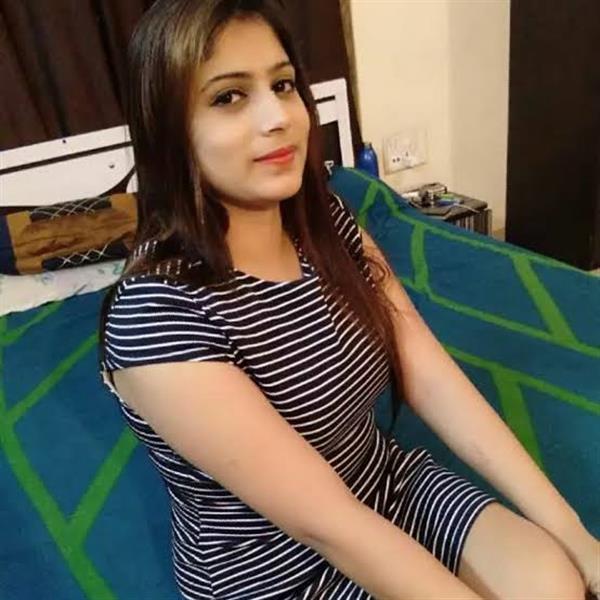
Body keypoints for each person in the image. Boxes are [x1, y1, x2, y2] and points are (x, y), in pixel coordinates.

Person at [98, 1, 599, 599]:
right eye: (229, 97)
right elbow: (330, 527)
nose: (278, 118)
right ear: (168, 128)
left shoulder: (327, 225)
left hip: (384, 482)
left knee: (553, 583)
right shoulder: (156, 319)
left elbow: (428, 373)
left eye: (283, 85)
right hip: (278, 570)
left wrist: (579, 540)